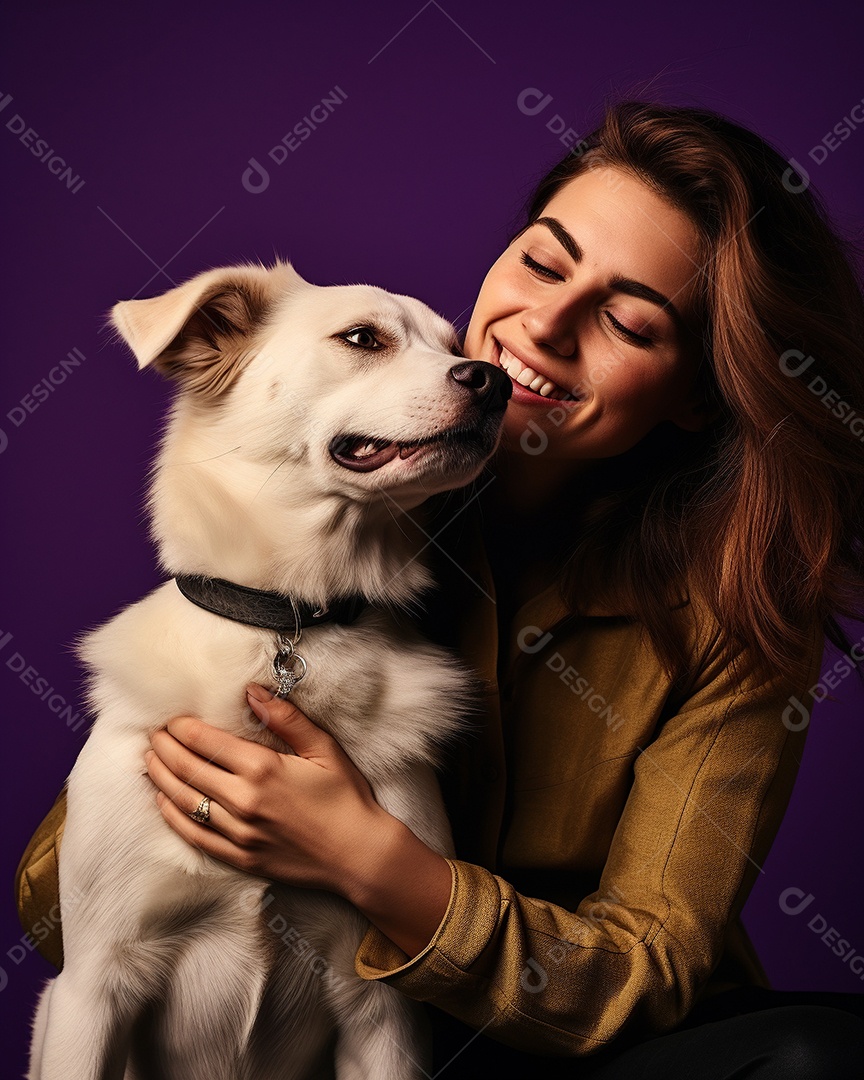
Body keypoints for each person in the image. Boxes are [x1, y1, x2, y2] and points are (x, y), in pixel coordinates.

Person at [17, 102, 864, 1077]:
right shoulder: (340, 502)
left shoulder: (737, 620)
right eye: (543, 264)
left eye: (629, 321)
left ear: (697, 394)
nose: (544, 325)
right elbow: (62, 925)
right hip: (318, 1042)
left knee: (820, 1055)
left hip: (580, 1053)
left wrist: (386, 873)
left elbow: (654, 963)